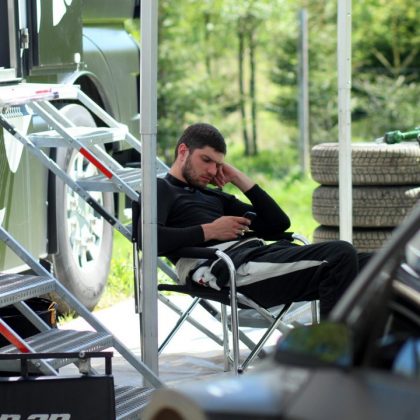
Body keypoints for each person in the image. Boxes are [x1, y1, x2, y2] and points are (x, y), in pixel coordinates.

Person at [150, 122, 371, 319]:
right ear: (183, 151)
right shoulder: (161, 188)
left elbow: (277, 224)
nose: (212, 170)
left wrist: (237, 177)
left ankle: (369, 342)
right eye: (206, 160)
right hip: (226, 269)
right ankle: (331, 348)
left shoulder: (212, 195)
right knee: (340, 255)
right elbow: (149, 240)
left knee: (372, 263)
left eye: (218, 164)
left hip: (256, 257)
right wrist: (210, 230)